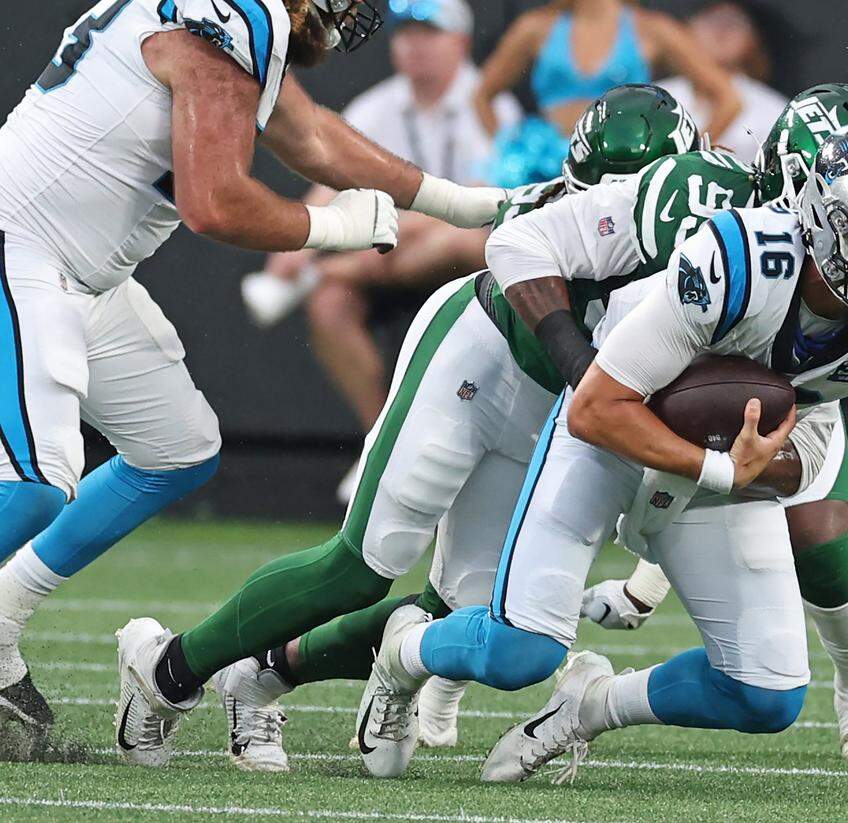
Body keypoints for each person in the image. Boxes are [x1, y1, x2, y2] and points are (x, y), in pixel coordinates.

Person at [359, 119, 848, 784]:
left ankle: (592, 705)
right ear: (826, 222)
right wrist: (722, 467)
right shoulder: (741, 261)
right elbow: (597, 408)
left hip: (721, 461)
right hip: (616, 433)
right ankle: (403, 653)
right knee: (520, 651)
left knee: (766, 692)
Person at [112, 84, 703, 770]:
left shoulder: (714, 238)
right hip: (477, 361)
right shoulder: (560, 216)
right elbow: (506, 247)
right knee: (360, 567)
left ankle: (260, 674)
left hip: (551, 411)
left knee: (463, 610)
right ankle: (166, 672)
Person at [0, 0, 507, 738]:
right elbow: (213, 203)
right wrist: (336, 227)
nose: (348, 13)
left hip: (81, 271)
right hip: (23, 247)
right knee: (41, 484)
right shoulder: (237, 17)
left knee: (177, 449)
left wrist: (463, 204)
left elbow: (314, 138)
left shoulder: (238, 18)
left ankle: (4, 609)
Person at [262, 0, 523, 499]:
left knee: (465, 239)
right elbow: (329, 174)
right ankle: (379, 440)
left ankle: (335, 273)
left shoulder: (490, 103)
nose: (415, 45)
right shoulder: (377, 104)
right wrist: (297, 242)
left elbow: (479, 201)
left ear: (461, 42)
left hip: (461, 266)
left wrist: (360, 240)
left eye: (431, 33)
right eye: (407, 33)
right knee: (330, 303)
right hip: (388, 258)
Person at [472, 0, 740, 139]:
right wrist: (509, 150)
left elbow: (728, 99)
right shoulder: (534, 28)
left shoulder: (652, 29)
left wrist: (685, 158)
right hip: (547, 170)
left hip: (621, 167)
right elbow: (482, 96)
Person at [659, 1, 787, 160]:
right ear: (686, 29)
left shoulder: (776, 112)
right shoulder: (656, 98)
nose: (721, 31)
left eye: (734, 22)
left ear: (754, 39)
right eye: (710, 19)